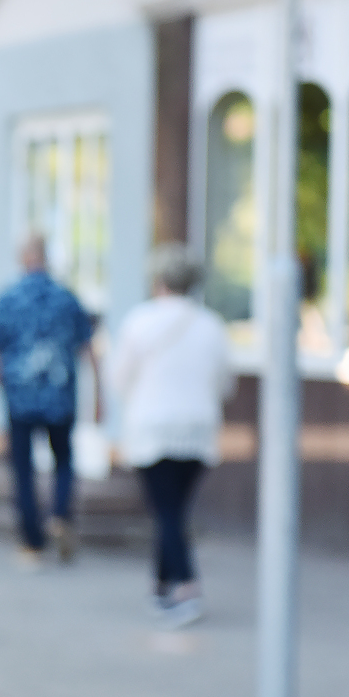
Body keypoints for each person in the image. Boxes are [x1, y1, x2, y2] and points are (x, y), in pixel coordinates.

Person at [108, 244, 235, 627]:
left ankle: (186, 585)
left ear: (159, 280)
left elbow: (118, 378)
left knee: (166, 511)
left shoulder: (140, 321)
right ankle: (161, 584)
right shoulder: (211, 325)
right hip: (197, 429)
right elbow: (225, 383)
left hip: (153, 428)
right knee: (174, 509)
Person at [0, 234, 101, 568]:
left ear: (23, 258)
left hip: (20, 397)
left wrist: (2, 385)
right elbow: (88, 348)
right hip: (60, 396)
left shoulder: (8, 298)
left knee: (23, 467)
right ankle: (60, 514)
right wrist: (99, 396)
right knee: (63, 459)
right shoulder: (66, 298)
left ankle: (32, 540)